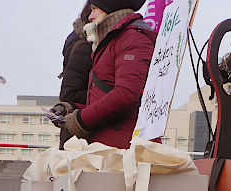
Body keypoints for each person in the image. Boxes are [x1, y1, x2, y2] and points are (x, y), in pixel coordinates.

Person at [49, 0, 154, 149]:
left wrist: (79, 119)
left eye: (94, 9)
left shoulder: (132, 38)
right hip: (107, 146)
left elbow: (126, 94)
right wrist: (70, 108)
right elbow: (102, 97)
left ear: (110, 8)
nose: (90, 17)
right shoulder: (112, 41)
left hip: (119, 149)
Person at [58, 1, 93, 149]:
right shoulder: (85, 45)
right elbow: (69, 94)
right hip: (81, 132)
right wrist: (106, 97)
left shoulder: (77, 37)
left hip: (75, 130)